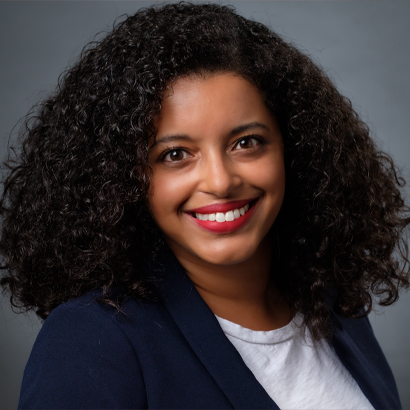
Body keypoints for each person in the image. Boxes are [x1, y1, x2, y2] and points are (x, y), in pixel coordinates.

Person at [0, 2, 408, 409]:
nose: (220, 181)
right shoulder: (92, 342)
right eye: (176, 154)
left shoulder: (331, 302)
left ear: (293, 149)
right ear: (123, 178)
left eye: (246, 142)